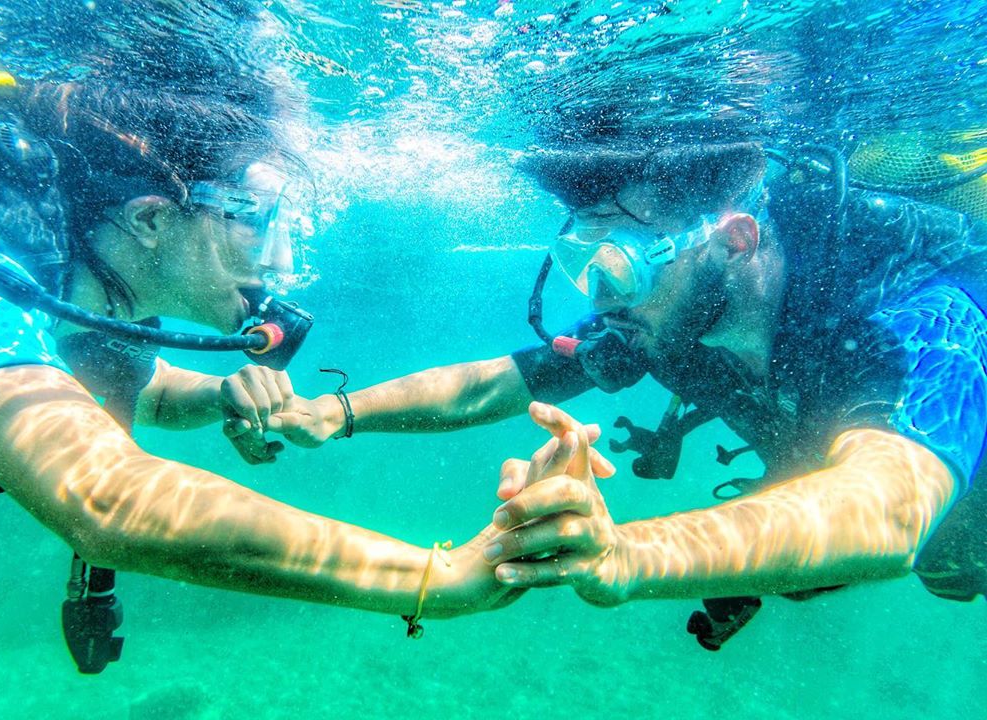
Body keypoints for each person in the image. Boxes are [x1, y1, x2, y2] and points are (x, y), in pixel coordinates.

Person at [0, 60, 525, 671]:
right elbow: (108, 501)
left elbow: (134, 392)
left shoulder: (73, 288)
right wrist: (435, 579)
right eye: (256, 221)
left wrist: (216, 394)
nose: (281, 262)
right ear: (151, 219)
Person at [274, 139, 987, 647]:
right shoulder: (666, 314)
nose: (600, 298)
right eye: (579, 264)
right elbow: (496, 383)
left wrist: (626, 555)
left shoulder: (918, 315)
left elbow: (891, 510)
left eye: (617, 266)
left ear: (734, 240)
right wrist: (332, 413)